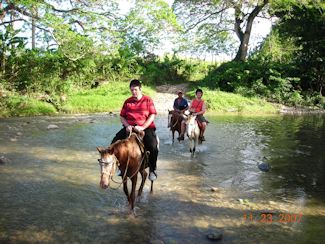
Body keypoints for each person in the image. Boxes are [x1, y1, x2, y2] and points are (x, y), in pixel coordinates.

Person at [111, 79, 159, 181]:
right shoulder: (127, 101)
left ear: (140, 89)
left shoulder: (148, 100)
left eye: (136, 90)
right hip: (130, 128)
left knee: (153, 146)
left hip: (146, 128)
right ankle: (120, 167)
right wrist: (127, 125)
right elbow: (122, 116)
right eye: (132, 90)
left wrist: (143, 127)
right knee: (113, 144)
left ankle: (152, 169)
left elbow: (152, 115)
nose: (134, 92)